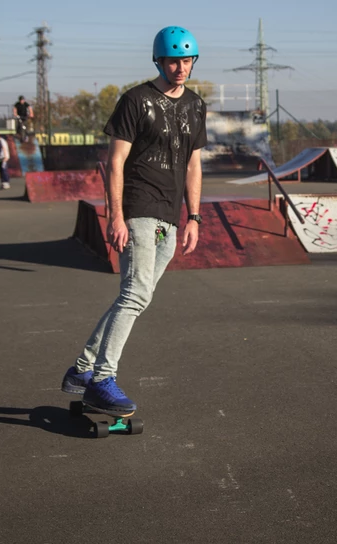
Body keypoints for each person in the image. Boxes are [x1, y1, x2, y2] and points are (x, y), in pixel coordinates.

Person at [61, 26, 207, 414]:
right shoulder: (136, 100)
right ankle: (101, 379)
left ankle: (81, 370)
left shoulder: (195, 105)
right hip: (139, 206)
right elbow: (115, 161)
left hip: (171, 214)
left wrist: (193, 216)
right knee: (136, 294)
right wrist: (115, 215)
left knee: (137, 297)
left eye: (187, 60)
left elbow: (193, 164)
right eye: (173, 60)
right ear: (159, 61)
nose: (181, 67)